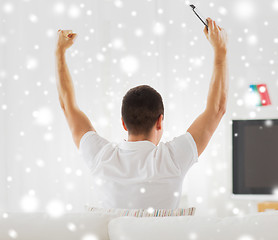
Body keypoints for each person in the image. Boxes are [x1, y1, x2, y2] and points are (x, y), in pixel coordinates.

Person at [55, 17, 228, 209]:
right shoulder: (172, 159)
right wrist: (220, 52)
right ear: (160, 121)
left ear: (123, 123)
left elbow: (67, 105)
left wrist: (60, 52)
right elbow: (217, 109)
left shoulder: (100, 157)